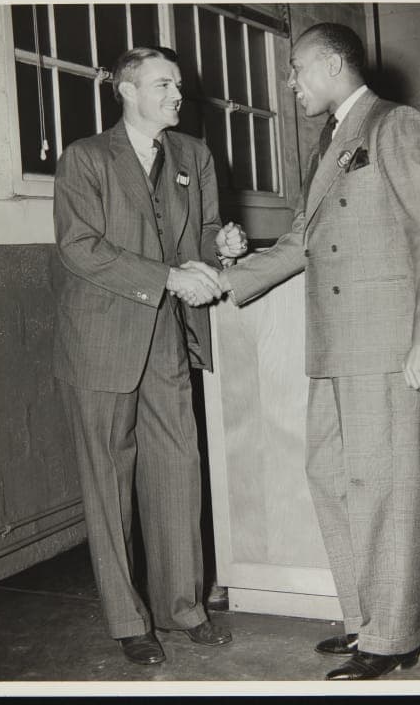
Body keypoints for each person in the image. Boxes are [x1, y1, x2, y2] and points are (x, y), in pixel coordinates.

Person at [220, 23, 420, 681]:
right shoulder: (328, 143)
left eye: (297, 69)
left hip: (386, 341)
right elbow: (303, 239)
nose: (290, 82)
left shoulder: (395, 124)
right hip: (333, 345)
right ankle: (363, 617)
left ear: (331, 65)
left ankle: (393, 634)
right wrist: (226, 279)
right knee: (332, 478)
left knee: (386, 487)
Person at [52, 46, 247, 666]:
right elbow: (79, 247)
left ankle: (182, 607)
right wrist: (166, 277)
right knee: (109, 482)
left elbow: (209, 231)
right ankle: (127, 620)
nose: (176, 94)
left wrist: (228, 242)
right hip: (101, 338)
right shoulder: (86, 159)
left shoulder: (194, 154)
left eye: (178, 85)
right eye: (163, 84)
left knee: (177, 471)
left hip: (169, 334)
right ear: (125, 90)